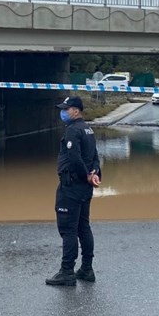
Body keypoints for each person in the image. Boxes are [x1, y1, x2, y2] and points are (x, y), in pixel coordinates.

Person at [46, 96, 102, 286]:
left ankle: (67, 271)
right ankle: (87, 269)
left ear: (76, 111)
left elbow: (74, 158)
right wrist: (94, 173)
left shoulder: (73, 130)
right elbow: (94, 156)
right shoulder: (88, 129)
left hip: (71, 187)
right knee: (83, 227)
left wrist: (86, 174)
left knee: (68, 230)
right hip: (84, 188)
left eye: (66, 109)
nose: (63, 112)